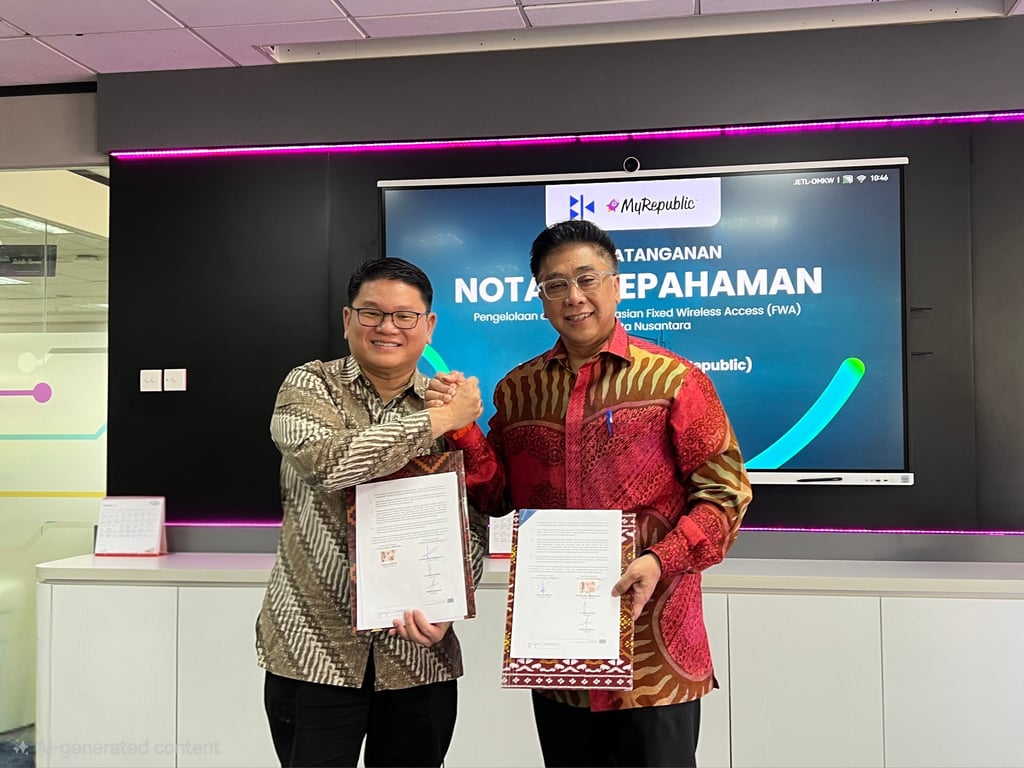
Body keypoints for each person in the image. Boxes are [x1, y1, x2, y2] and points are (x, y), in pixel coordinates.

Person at [435, 220, 752, 768]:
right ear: (540, 298)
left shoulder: (675, 380)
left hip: (653, 654)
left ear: (616, 285)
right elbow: (497, 497)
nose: (573, 296)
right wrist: (461, 431)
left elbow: (725, 494)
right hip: (560, 654)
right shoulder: (519, 389)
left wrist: (661, 558)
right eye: (555, 285)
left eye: (587, 278)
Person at [256, 257, 497, 768]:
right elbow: (328, 464)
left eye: (405, 316)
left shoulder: (444, 405)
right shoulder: (309, 386)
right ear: (348, 320)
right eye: (372, 313)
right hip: (314, 652)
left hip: (419, 656)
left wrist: (450, 601)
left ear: (428, 326)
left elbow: (472, 516)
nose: (388, 327)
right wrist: (436, 422)